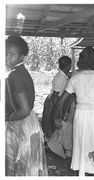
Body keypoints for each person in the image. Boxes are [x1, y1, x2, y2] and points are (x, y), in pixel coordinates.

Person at [53, 46, 94, 176]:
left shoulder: (75, 78)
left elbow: (61, 101)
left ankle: (82, 169)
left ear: (81, 61)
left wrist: (56, 118)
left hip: (80, 115)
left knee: (81, 142)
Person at [5, 35, 48, 176]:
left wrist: (6, 119)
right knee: (27, 168)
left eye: (11, 54)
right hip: (29, 122)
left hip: (21, 123)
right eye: (5, 53)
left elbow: (23, 110)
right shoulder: (21, 72)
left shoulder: (14, 76)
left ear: (22, 56)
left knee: (19, 167)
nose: (6, 57)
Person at [41, 56, 72, 141]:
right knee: (50, 122)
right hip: (53, 101)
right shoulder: (60, 78)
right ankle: (48, 140)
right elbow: (56, 96)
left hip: (56, 99)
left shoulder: (63, 76)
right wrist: (56, 112)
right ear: (69, 66)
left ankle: (50, 140)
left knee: (52, 122)